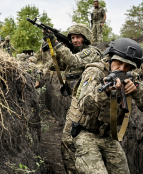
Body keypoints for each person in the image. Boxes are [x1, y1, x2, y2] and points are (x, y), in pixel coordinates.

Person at [66, 38, 143, 174]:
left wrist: (136, 90)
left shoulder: (131, 77)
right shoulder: (94, 72)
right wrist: (104, 94)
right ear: (110, 59)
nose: (122, 69)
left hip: (108, 135)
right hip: (85, 133)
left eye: (127, 66)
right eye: (119, 63)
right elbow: (84, 106)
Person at [42, 23, 102, 174]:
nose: (75, 40)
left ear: (86, 38)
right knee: (68, 142)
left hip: (92, 106)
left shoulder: (92, 52)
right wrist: (52, 46)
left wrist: (56, 43)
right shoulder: (72, 53)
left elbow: (74, 61)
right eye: (72, 38)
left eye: (78, 37)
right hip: (77, 104)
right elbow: (52, 66)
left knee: (82, 143)